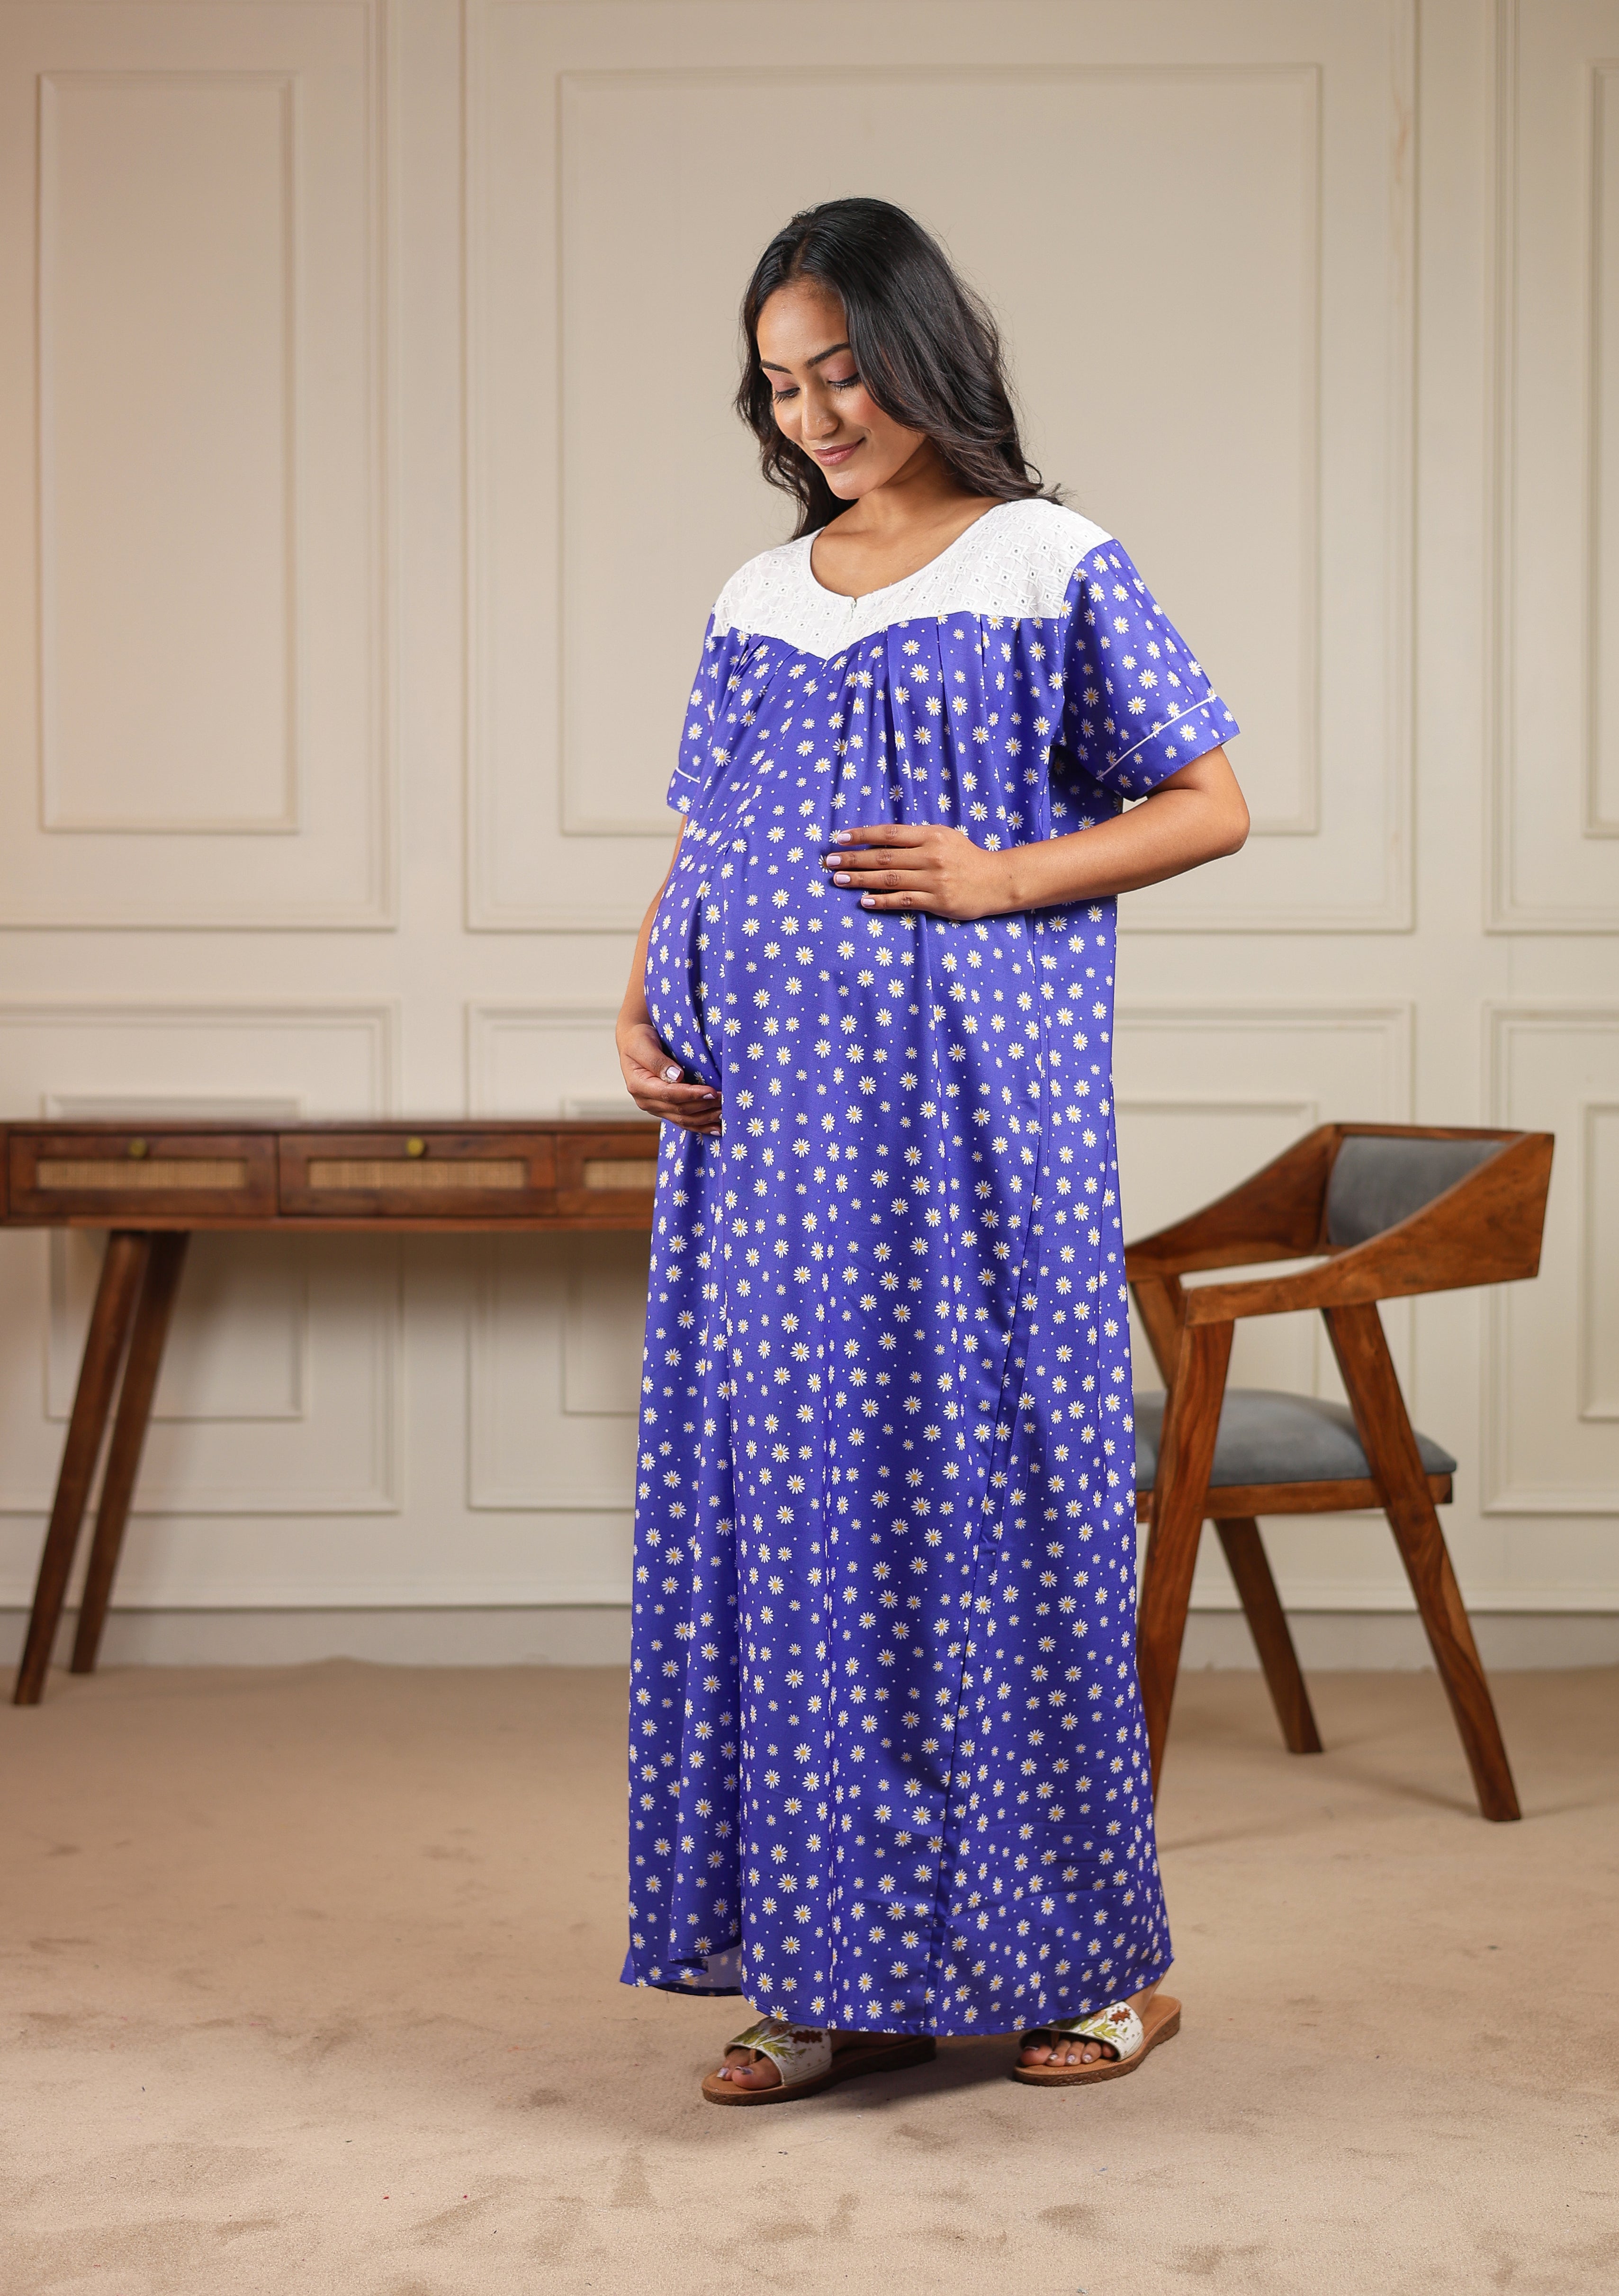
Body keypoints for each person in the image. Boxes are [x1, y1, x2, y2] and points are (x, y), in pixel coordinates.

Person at [615, 197, 1249, 2102]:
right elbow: (704, 834)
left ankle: (1099, 1969)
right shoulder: (759, 593)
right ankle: (827, 1973)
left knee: (992, 1512)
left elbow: (1209, 802)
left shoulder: (1048, 560)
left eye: (844, 373)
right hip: (761, 1149)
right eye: (781, 385)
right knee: (796, 1528)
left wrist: (1001, 879)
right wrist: (640, 1000)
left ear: (920, 355)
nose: (815, 415)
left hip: (967, 1137)